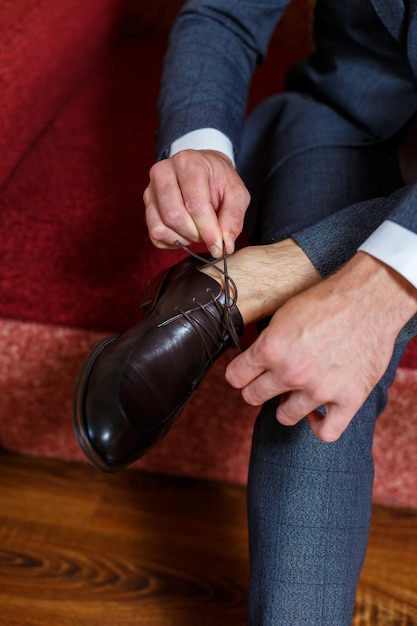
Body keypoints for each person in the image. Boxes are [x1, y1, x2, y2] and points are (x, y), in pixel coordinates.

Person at [74, 1, 417, 623]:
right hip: (348, 118)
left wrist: (381, 288)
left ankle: (242, 283)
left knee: (331, 339)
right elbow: (224, 14)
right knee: (311, 382)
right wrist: (198, 145)